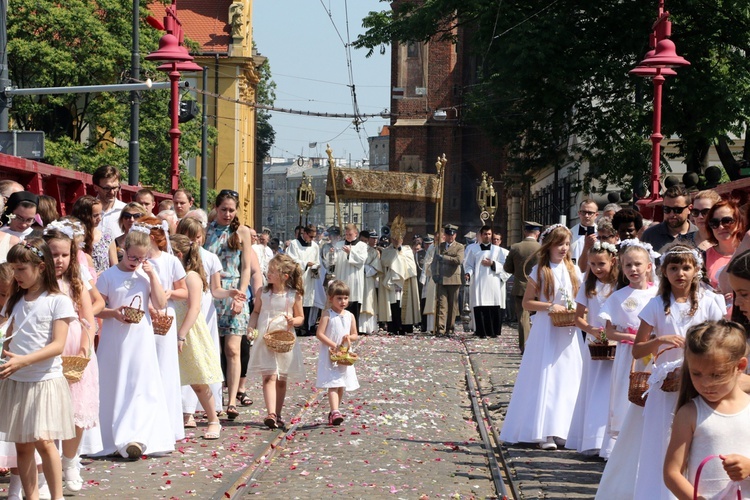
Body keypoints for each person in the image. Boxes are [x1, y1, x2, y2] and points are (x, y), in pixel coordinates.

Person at [631, 243, 724, 499]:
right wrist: (660, 340)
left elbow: (720, 339)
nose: (680, 273)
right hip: (667, 384)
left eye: (686, 267)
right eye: (674, 268)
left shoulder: (709, 301)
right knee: (662, 442)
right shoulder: (656, 305)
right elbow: (637, 350)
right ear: (664, 271)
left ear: (696, 270)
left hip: (698, 381)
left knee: (697, 439)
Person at [0, 239, 77, 500]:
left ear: (40, 267)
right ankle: (30, 497)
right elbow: (7, 336)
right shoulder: (15, 301)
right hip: (17, 381)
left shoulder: (58, 301)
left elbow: (57, 345)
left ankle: (57, 497)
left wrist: (23, 360)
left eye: (21, 269)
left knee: (45, 442)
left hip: (44, 380)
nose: (16, 276)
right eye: (13, 269)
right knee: (22, 445)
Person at [499, 224, 583, 450]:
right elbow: (527, 303)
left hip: (568, 329)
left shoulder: (573, 270)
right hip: (547, 328)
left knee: (567, 376)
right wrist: (549, 306)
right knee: (547, 375)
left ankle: (563, 428)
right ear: (549, 245)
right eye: (559, 244)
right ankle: (543, 430)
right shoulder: (540, 270)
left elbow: (583, 297)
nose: (564, 248)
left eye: (566, 244)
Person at [93, 230, 174, 460]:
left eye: (142, 258)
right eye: (133, 258)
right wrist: (113, 313)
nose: (136, 263)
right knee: (114, 383)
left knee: (141, 384)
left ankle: (137, 436)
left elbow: (160, 303)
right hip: (114, 337)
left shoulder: (146, 275)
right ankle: (110, 436)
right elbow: (96, 307)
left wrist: (152, 276)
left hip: (141, 337)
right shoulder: (108, 276)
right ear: (123, 251)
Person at [595, 241, 659, 496]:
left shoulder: (658, 294)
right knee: (626, 396)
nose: (633, 269)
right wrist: (633, 339)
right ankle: (623, 446)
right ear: (621, 268)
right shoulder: (619, 297)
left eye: (638, 264)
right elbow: (609, 330)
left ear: (649, 267)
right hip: (628, 354)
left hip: (655, 354)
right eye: (628, 265)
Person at [663, 320, 750, 499]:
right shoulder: (690, 413)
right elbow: (672, 473)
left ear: (740, 366)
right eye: (696, 374)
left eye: (716, 375)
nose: (705, 384)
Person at [42, 224, 99, 492]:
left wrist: (84, 351)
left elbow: (89, 321)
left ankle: (70, 462)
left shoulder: (75, 284)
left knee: (76, 412)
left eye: (64, 255)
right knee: (47, 413)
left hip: (76, 353)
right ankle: (46, 469)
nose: (59, 260)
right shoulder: (38, 284)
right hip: (48, 351)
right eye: (54, 255)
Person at [176, 217, 244, 424]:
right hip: (183, 309)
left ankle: (204, 407)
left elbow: (215, 290)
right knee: (185, 359)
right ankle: (185, 410)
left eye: (197, 237)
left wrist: (229, 292)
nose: (194, 241)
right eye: (189, 237)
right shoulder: (176, 258)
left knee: (201, 358)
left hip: (204, 311)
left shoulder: (210, 258)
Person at [203, 190, 260, 420]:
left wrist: (240, 296)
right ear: (216, 208)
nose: (227, 214)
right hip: (210, 290)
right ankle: (214, 398)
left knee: (233, 348)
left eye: (231, 210)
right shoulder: (206, 230)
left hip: (235, 289)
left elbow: (246, 267)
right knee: (212, 349)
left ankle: (232, 399)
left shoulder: (242, 231)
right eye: (224, 209)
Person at [135, 216, 187, 441]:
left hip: (165, 316)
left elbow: (184, 292)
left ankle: (167, 423)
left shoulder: (169, 261)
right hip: (142, 314)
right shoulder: (135, 260)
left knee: (164, 367)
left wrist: (168, 293)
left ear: (155, 238)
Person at [169, 235, 224, 440]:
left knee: (198, 379)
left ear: (179, 255)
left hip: (188, 331)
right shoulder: (172, 276)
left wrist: (182, 334)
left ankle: (213, 420)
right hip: (171, 328)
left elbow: (194, 307)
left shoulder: (191, 277)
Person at [567, 240, 618, 456]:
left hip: (616, 343)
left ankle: (609, 440)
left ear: (612, 262)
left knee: (612, 390)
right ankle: (591, 439)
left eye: (601, 264)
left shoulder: (619, 286)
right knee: (594, 387)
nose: (597, 269)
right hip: (595, 344)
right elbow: (578, 318)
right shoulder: (589, 286)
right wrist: (593, 330)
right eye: (593, 264)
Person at [246, 254, 305, 430]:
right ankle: (270, 413)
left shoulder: (294, 295)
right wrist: (251, 327)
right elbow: (256, 312)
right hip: (265, 336)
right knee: (269, 375)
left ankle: (278, 413)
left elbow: (301, 317)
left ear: (284, 276)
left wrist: (293, 321)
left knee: (281, 378)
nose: (267, 274)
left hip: (284, 337)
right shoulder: (262, 293)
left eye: (272, 271)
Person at [315, 280, 360, 425]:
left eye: (345, 298)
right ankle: (335, 411)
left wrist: (349, 338)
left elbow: (354, 334)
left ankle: (335, 410)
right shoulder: (327, 314)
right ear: (331, 298)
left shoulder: (349, 316)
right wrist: (333, 345)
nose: (343, 301)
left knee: (341, 383)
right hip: (331, 353)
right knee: (333, 383)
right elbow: (320, 334)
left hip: (344, 354)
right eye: (339, 298)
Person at [464, 226, 510, 338]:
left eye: (489, 234)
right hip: (479, 282)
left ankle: (493, 331)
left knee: (493, 305)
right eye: (485, 234)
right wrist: (468, 273)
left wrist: (493, 264)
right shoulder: (473, 250)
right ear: (481, 235)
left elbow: (505, 266)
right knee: (480, 305)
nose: (487, 236)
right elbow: (469, 264)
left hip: (493, 281)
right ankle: (481, 332)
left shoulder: (498, 250)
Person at [503, 221, 541, 353]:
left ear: (525, 232)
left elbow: (507, 268)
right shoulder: (542, 248)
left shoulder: (515, 247)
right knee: (539, 318)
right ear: (538, 233)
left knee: (523, 318)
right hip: (539, 288)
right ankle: (538, 346)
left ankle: (525, 347)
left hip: (520, 287)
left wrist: (518, 273)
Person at [379, 232, 420, 335]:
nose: (396, 241)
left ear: (402, 240)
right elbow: (384, 262)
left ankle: (405, 327)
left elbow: (411, 265)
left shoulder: (407, 250)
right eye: (394, 239)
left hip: (405, 281)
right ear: (391, 240)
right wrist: (395, 254)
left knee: (404, 305)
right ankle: (393, 327)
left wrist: (399, 253)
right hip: (391, 281)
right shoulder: (387, 251)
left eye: (399, 239)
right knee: (393, 305)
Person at [286, 224, 322, 336]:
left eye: (314, 237)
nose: (312, 239)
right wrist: (306, 264)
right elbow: (291, 260)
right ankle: (297, 328)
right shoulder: (294, 244)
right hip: (298, 277)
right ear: (304, 234)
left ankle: (306, 326)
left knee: (307, 301)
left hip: (309, 278)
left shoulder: (315, 246)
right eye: (310, 236)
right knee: (297, 301)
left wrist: (316, 267)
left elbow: (317, 261)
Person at [704, 199, 743, 301]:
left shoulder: (746, 252)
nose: (721, 227)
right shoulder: (703, 257)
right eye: (714, 223)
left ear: (739, 222)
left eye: (727, 221)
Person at [641, 185, 698, 253]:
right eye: (667, 209)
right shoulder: (649, 235)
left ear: (689, 209)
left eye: (677, 210)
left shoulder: (699, 235)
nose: (672, 214)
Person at [330, 224, 367, 328]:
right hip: (342, 277)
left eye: (350, 234)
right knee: (341, 303)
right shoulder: (339, 244)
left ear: (356, 233)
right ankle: (340, 327)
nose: (348, 236)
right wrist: (332, 254)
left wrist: (350, 252)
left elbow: (361, 260)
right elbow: (333, 262)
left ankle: (353, 329)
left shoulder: (362, 246)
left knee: (353, 303)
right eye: (346, 234)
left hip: (354, 279)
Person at [72, 195, 117, 274]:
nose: (99, 218)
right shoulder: (74, 238)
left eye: (100, 214)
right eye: (95, 216)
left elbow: (115, 266)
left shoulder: (107, 236)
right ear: (85, 216)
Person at [434, 224, 464, 336]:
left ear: (455, 235)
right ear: (445, 235)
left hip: (454, 279)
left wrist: (444, 258)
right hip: (442, 279)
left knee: (452, 306)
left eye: (452, 235)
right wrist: (434, 275)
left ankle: (450, 328)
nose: (450, 237)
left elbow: (459, 260)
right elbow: (434, 263)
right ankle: (440, 329)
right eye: (448, 235)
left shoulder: (459, 247)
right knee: (442, 305)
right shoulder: (439, 247)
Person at [92, 165, 126, 240]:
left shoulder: (125, 211)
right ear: (95, 187)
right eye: (107, 188)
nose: (112, 192)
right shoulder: (87, 210)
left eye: (115, 188)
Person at [359, 229, 381, 335]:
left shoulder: (372, 252)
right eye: (361, 240)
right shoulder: (355, 250)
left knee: (368, 302)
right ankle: (358, 327)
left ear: (368, 241)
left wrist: (362, 268)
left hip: (368, 280)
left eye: (365, 240)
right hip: (357, 281)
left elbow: (375, 268)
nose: (363, 242)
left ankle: (368, 327)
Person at [570, 199, 599, 264]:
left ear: (596, 215)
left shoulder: (601, 233)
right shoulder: (570, 233)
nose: (586, 216)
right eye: (584, 212)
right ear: (579, 213)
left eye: (590, 213)